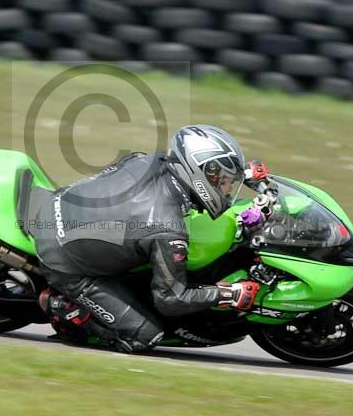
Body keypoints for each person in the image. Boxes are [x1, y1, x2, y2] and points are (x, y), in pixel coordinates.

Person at [26, 125, 267, 353]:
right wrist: (230, 294)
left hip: (62, 203)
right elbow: (171, 299)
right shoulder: (167, 228)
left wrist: (243, 173)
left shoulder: (154, 160)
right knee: (146, 335)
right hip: (64, 261)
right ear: (199, 174)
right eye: (223, 182)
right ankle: (65, 309)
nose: (227, 189)